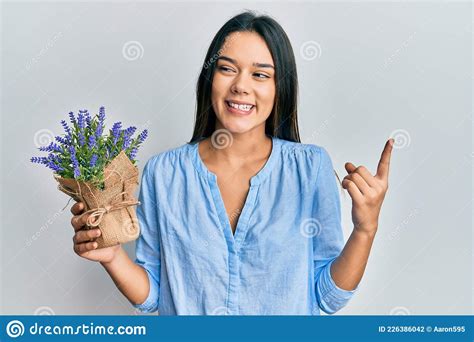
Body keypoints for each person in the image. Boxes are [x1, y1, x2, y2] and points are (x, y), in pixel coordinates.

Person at [70, 10, 393, 315]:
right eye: (227, 69)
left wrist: (365, 229)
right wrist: (111, 256)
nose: (241, 85)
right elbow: (154, 293)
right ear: (210, 78)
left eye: (260, 74)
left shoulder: (309, 168)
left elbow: (326, 296)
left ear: (280, 87)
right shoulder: (164, 173)